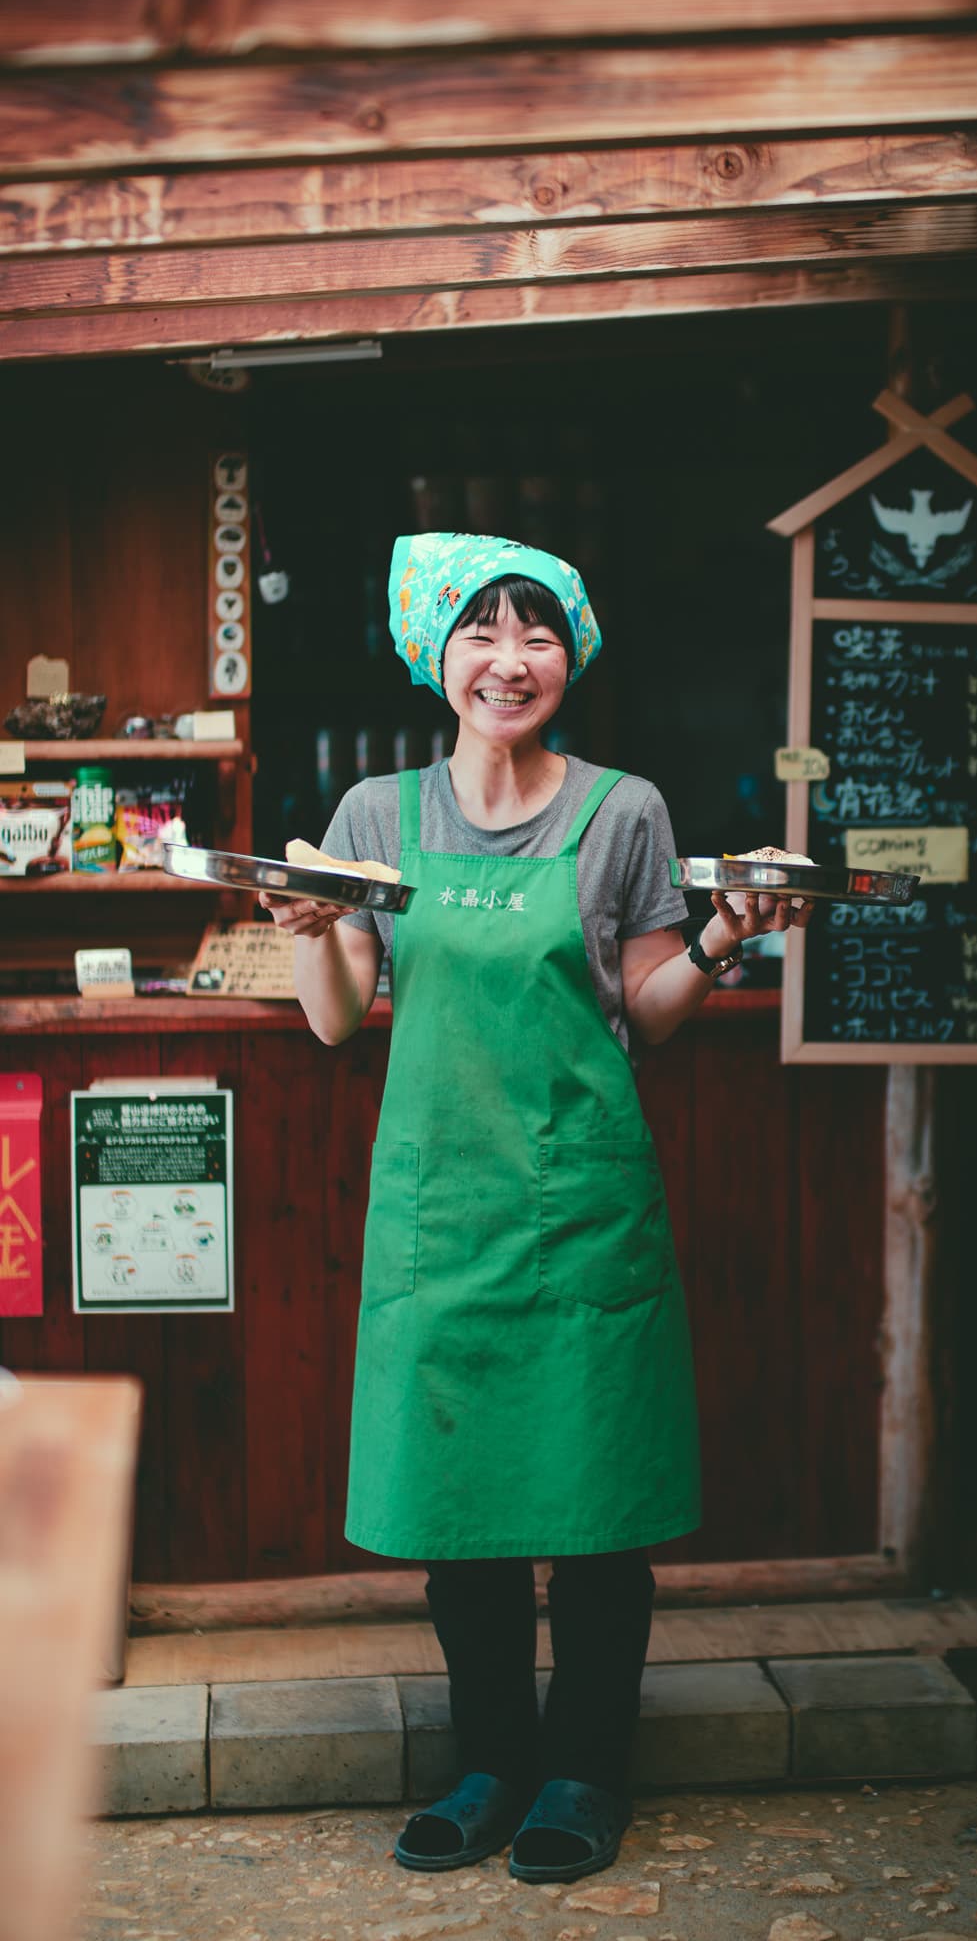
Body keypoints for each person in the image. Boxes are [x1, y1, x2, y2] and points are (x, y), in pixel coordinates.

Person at [261, 532, 810, 1882]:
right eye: (482, 632)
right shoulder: (374, 816)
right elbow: (337, 1020)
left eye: (539, 633)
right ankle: (492, 1765)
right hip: (442, 1215)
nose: (511, 661)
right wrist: (307, 933)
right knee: (463, 1517)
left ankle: (586, 1774)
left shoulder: (624, 812)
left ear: (573, 655)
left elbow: (650, 1013)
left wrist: (724, 934)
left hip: (585, 1210)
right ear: (433, 655)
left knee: (598, 1514)